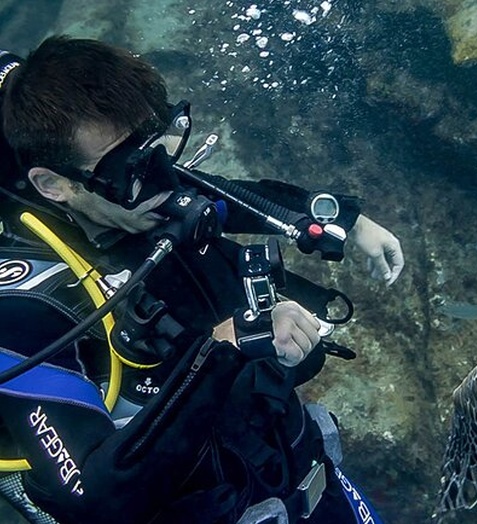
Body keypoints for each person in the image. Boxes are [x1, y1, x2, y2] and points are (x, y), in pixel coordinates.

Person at [0, 36, 402, 524]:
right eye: (131, 169)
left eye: (163, 146)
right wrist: (217, 354)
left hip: (311, 485)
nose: (167, 183)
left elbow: (226, 196)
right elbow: (94, 496)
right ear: (55, 184)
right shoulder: (25, 308)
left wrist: (345, 218)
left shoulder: (139, 193)